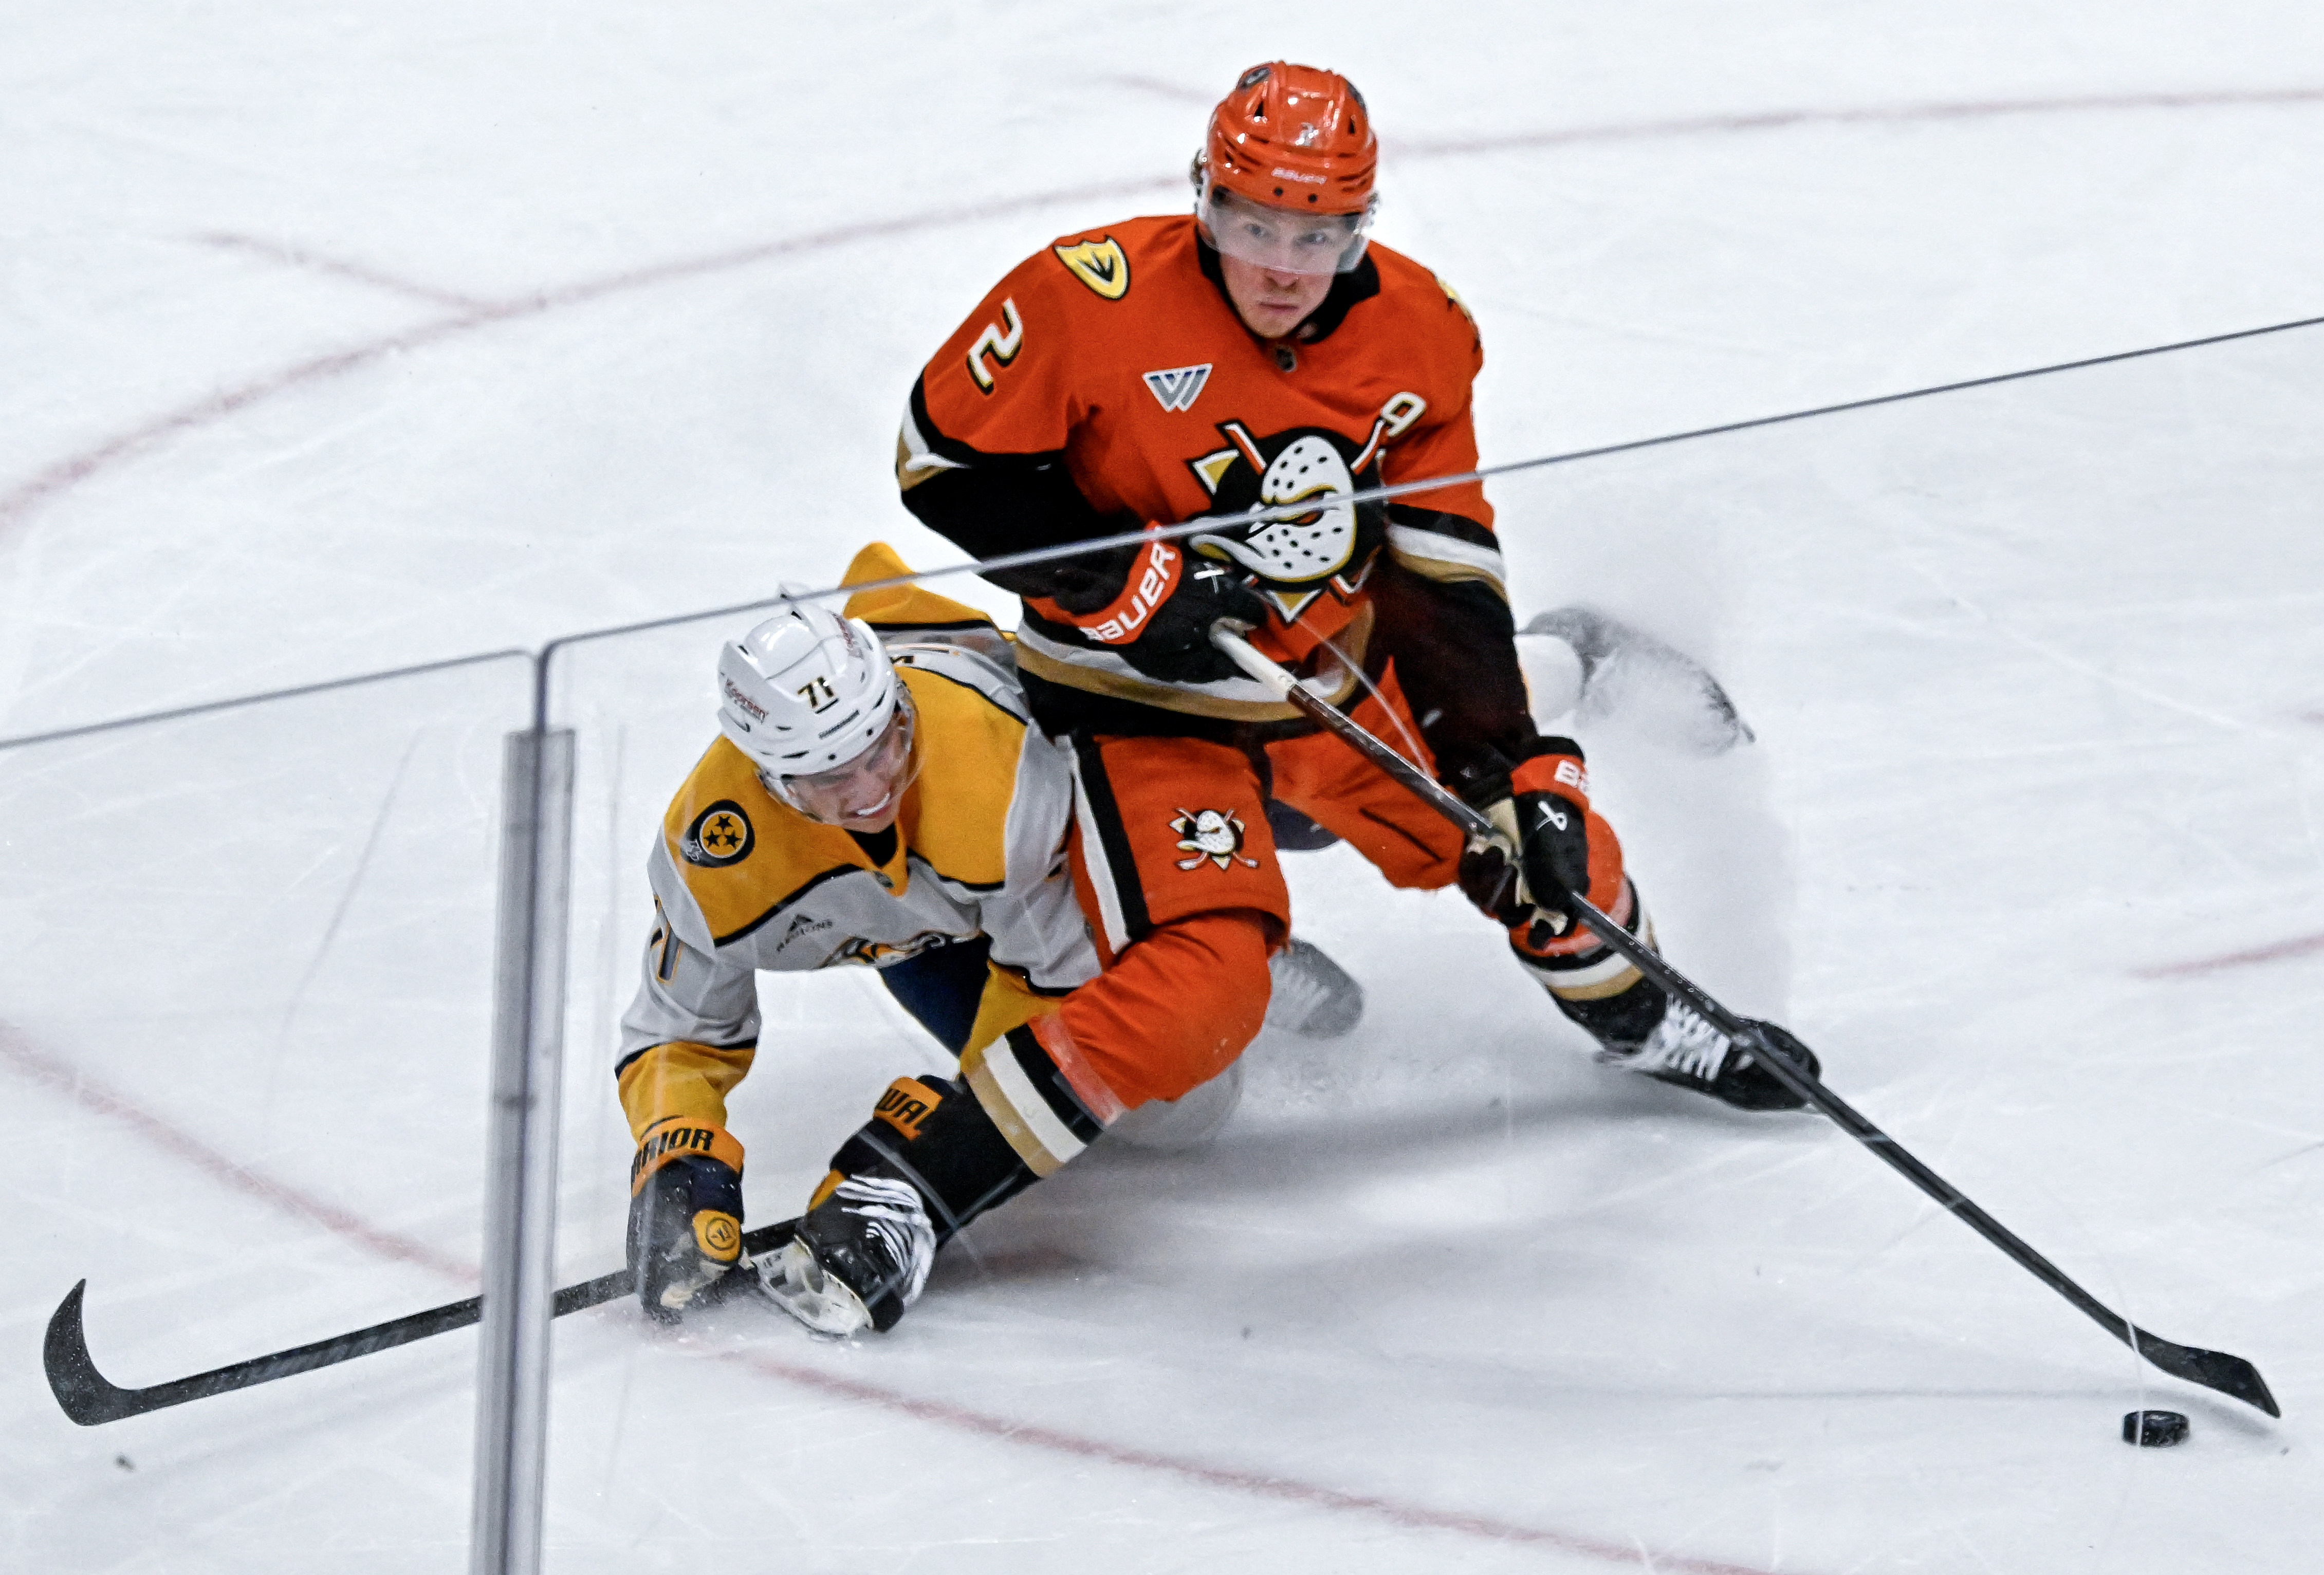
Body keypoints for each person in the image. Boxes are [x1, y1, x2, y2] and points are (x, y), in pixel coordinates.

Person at [892, 63, 1818, 1124]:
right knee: (1176, 1091)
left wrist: (1508, 759)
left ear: (1360, 224)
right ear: (1204, 196)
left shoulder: (1421, 331)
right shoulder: (1082, 298)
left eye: (1319, 235)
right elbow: (944, 468)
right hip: (1133, 702)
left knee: (1525, 837)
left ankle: (1646, 1017)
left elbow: (1443, 563)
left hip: (1330, 674)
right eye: (1252, 229)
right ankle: (1230, 941)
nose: (1284, 269)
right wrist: (1124, 578)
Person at [617, 544, 1361, 1333]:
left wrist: (945, 1145)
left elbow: (1048, 993)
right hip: (933, 926)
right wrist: (674, 1148)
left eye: (884, 745)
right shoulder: (712, 852)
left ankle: (1203, 925)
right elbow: (679, 1025)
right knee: (1113, 1127)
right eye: (832, 778)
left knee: (1181, 1117)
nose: (872, 791)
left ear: (899, 704)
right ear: (769, 777)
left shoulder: (998, 772)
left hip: (1066, 847)